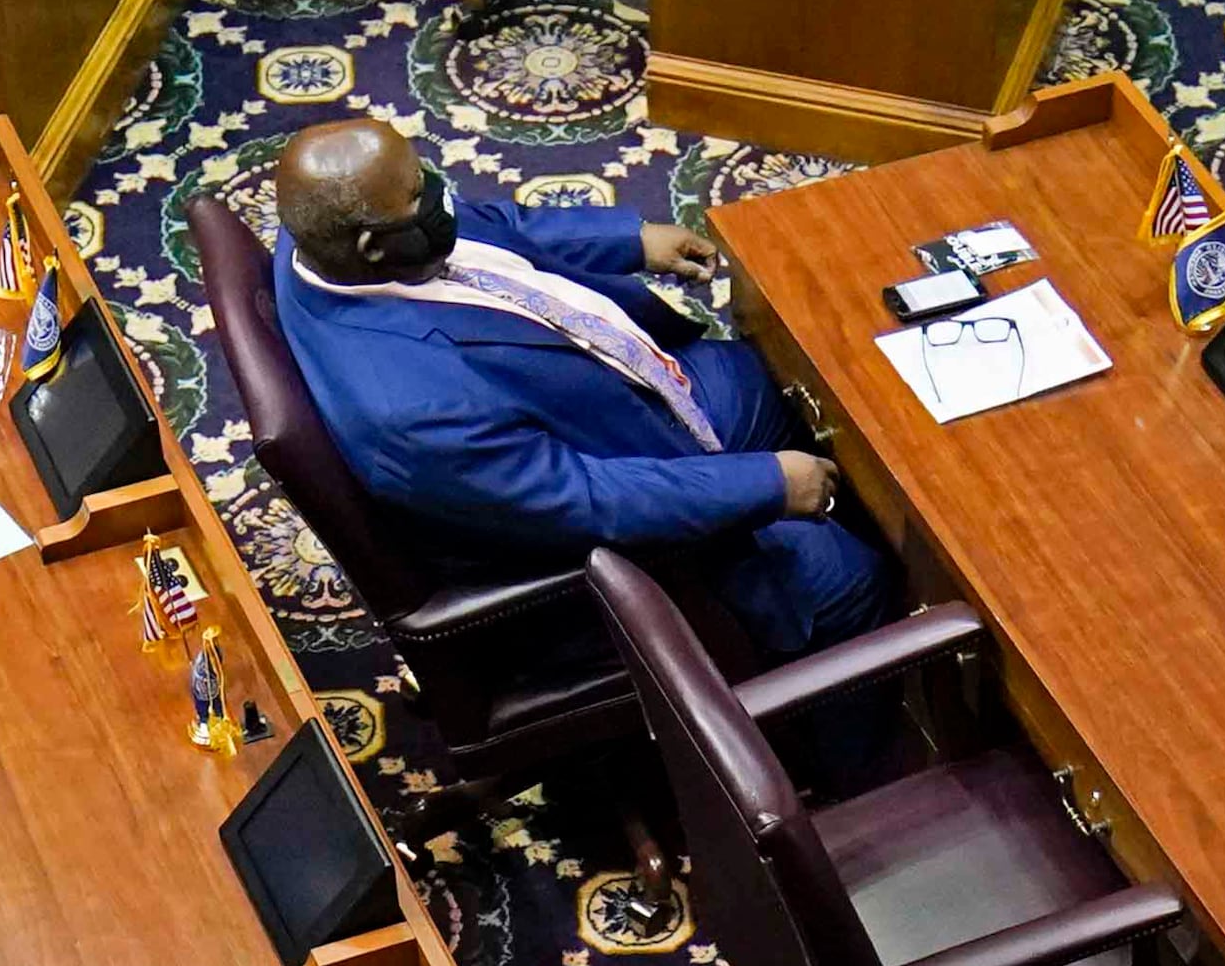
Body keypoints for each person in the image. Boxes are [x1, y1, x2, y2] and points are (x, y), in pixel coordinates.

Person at [265, 115, 896, 665]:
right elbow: (591, 500)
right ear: (376, 246)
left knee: (783, 374)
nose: (441, 198)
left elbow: (492, 228)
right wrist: (766, 485)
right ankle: (863, 764)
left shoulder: (324, 233)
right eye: (420, 197)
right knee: (852, 581)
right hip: (616, 524)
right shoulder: (418, 415)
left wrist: (629, 241)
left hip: (628, 393)